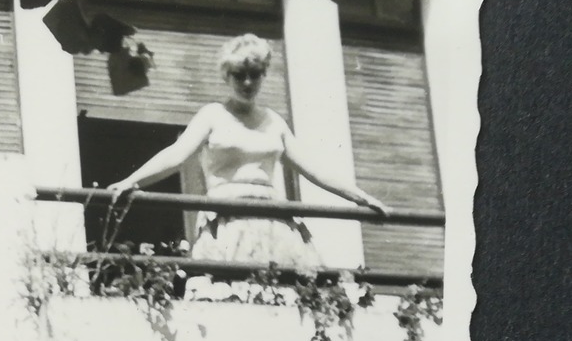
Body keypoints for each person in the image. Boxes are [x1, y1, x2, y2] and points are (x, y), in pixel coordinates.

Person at [107, 33, 389, 285]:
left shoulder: (273, 121)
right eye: (239, 74)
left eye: (255, 74)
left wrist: (360, 197)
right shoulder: (212, 115)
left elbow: (313, 169)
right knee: (232, 294)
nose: (247, 82)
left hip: (274, 224)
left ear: (263, 74)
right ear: (226, 75)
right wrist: (131, 181)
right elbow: (176, 155)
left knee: (284, 293)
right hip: (229, 222)